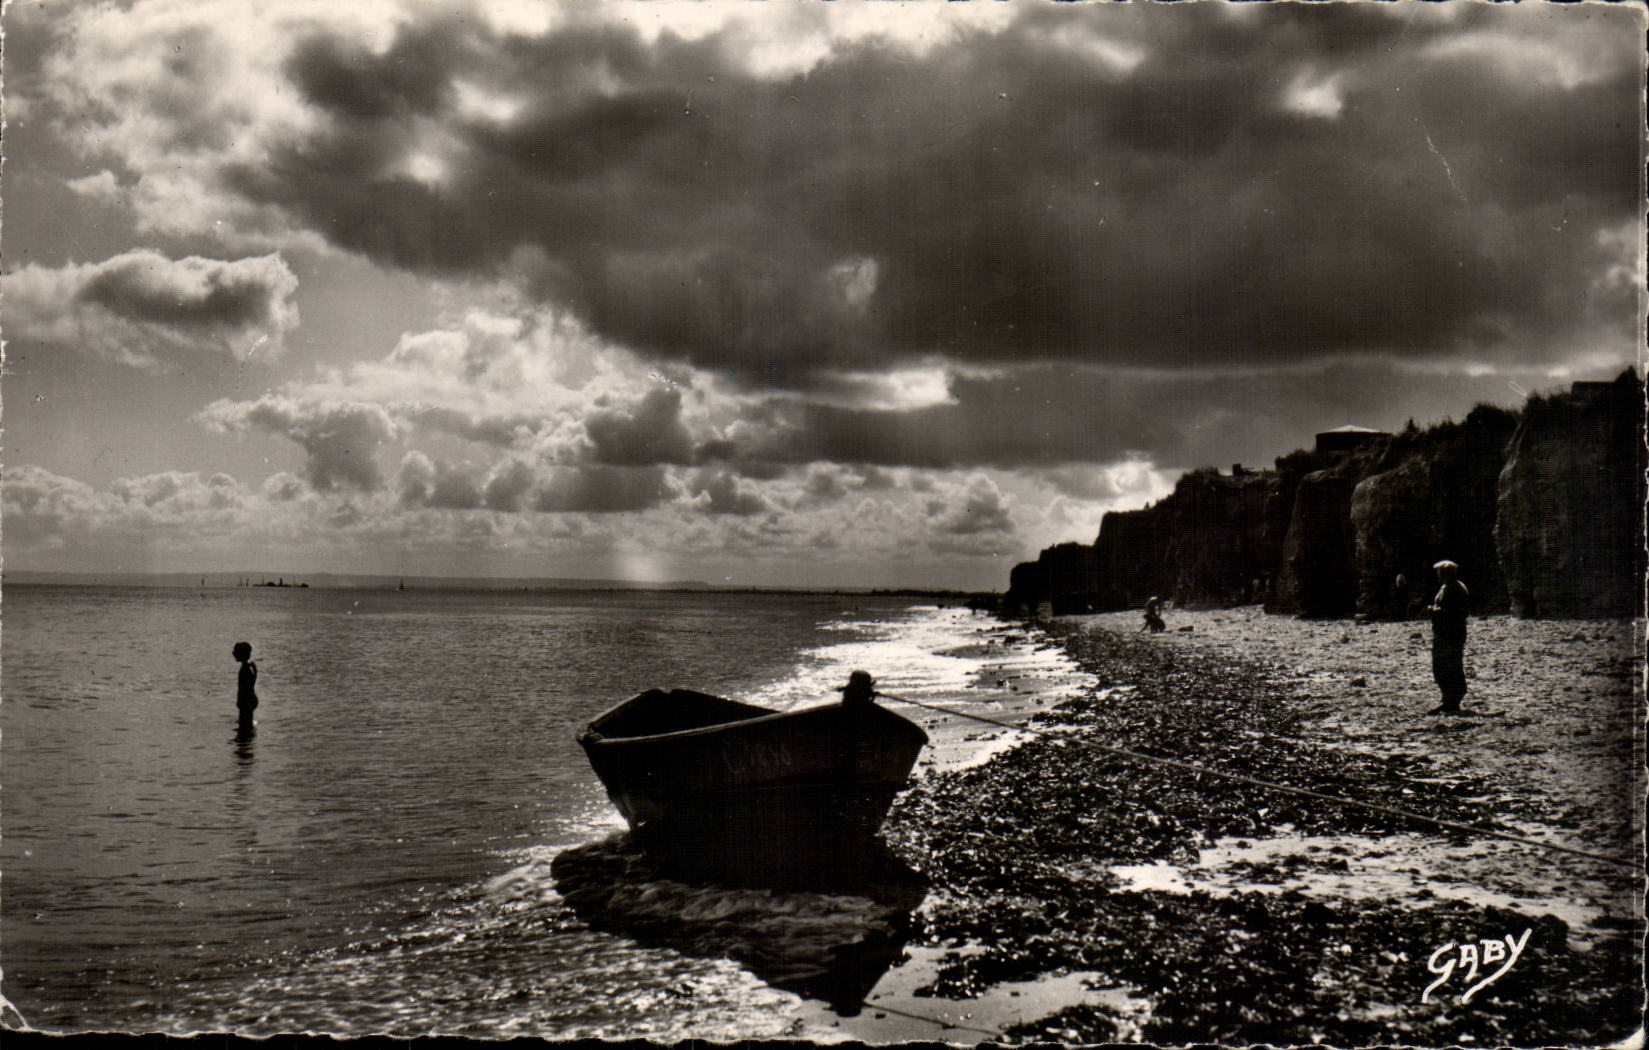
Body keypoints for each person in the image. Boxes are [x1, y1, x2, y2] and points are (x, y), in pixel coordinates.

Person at [1426, 561, 1469, 714]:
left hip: (1451, 634)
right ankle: (1448, 700)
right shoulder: (1448, 587)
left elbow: (1454, 612)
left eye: (1440, 573)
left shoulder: (1455, 589)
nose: (1438, 577)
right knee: (1442, 666)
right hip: (1444, 633)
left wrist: (1433, 611)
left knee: (1450, 666)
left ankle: (1452, 701)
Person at [233, 641, 259, 726]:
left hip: (246, 701)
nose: (233, 654)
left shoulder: (245, 669)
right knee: (246, 723)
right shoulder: (247, 668)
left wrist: (241, 700)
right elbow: (251, 684)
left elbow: (245, 687)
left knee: (245, 724)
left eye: (236, 652)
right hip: (249, 700)